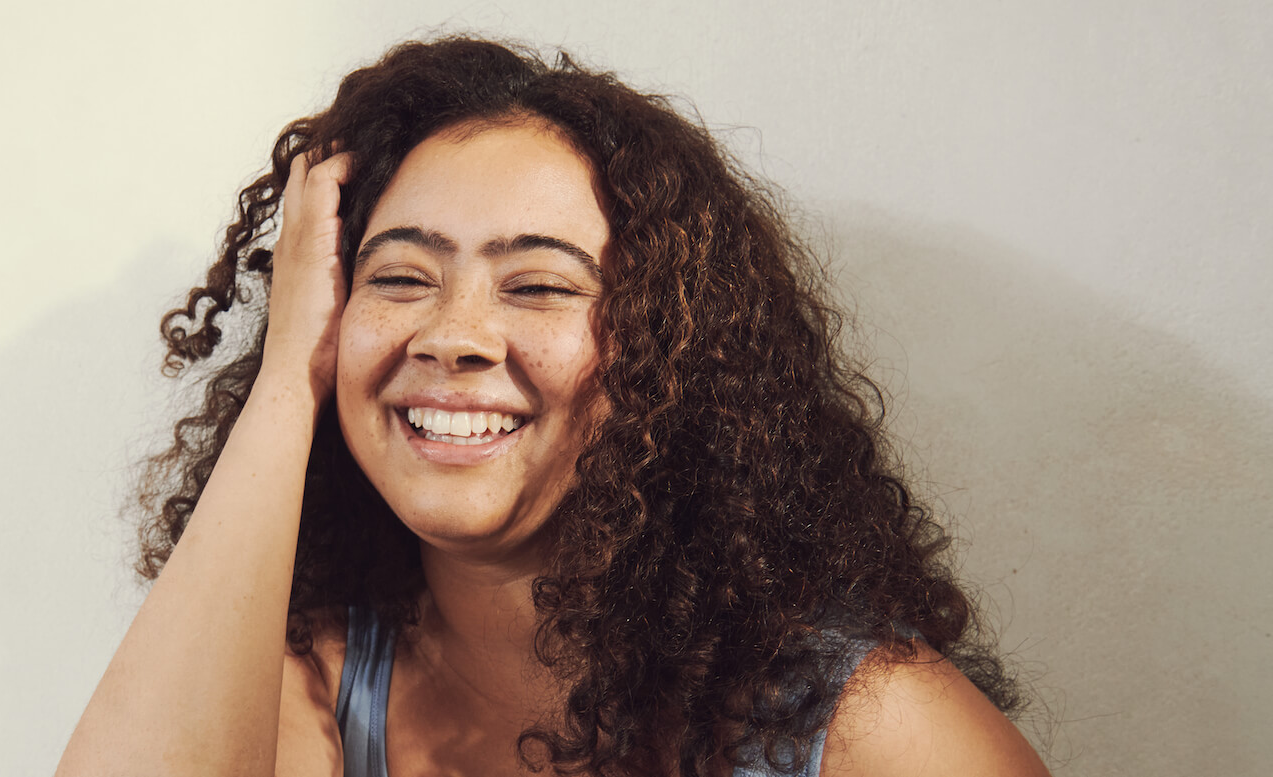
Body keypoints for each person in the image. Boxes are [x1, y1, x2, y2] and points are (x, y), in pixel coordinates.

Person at [57, 37, 1051, 777]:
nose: (453, 335)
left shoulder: (872, 727)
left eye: (536, 286)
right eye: (400, 277)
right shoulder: (310, 682)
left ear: (676, 351)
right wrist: (286, 386)